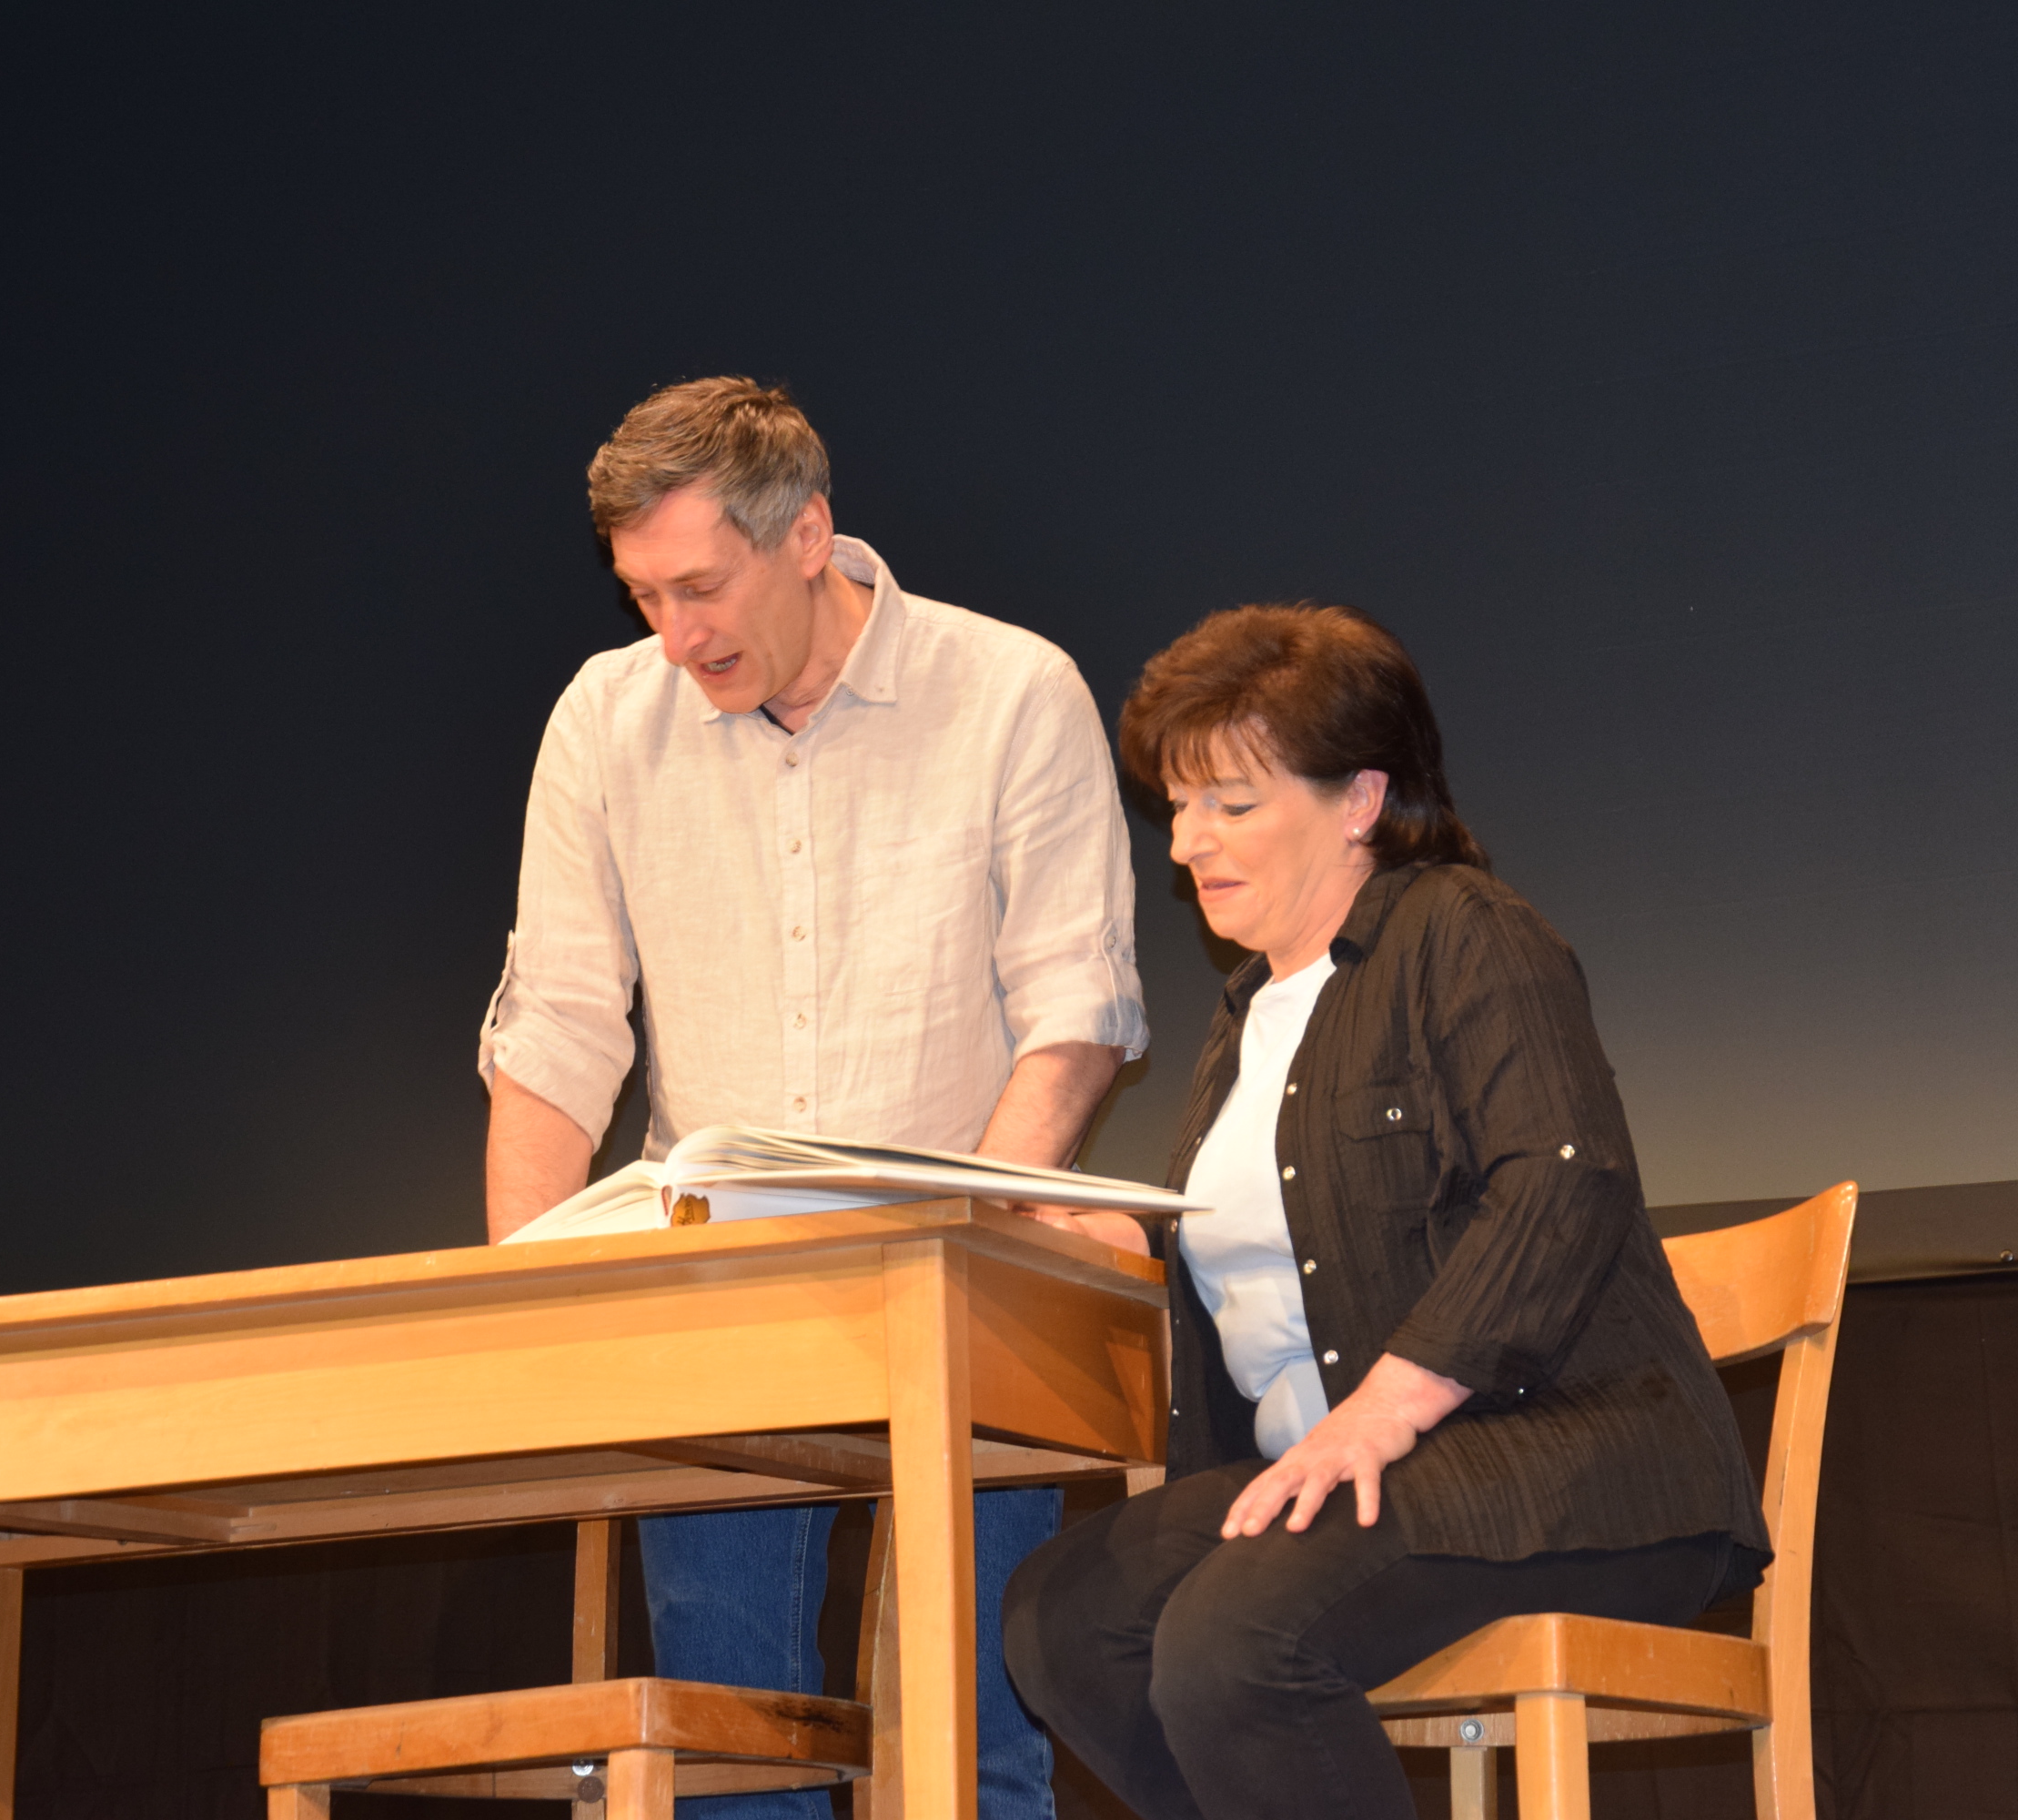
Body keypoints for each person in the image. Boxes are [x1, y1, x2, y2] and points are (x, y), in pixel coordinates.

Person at [479, 377, 1145, 1819]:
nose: (675, 635)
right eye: (643, 596)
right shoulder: (606, 718)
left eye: (700, 588)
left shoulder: (1009, 691)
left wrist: (973, 1245)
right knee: (731, 1758)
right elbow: (558, 1025)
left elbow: (1075, 1012)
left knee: (973, 1751)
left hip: (965, 1284)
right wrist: (527, 1294)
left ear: (806, 536)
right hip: (717, 1297)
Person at [1003, 604, 1770, 1820]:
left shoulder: (1467, 933)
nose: (1187, 842)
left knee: (1233, 1640)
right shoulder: (1247, 1019)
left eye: (1231, 803)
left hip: (1568, 1465)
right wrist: (1117, 1246)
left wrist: (1384, 1408)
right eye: (1179, 806)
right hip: (1362, 1483)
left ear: (1360, 799)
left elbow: (1562, 1177)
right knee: (1065, 1619)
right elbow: (1278, 1234)